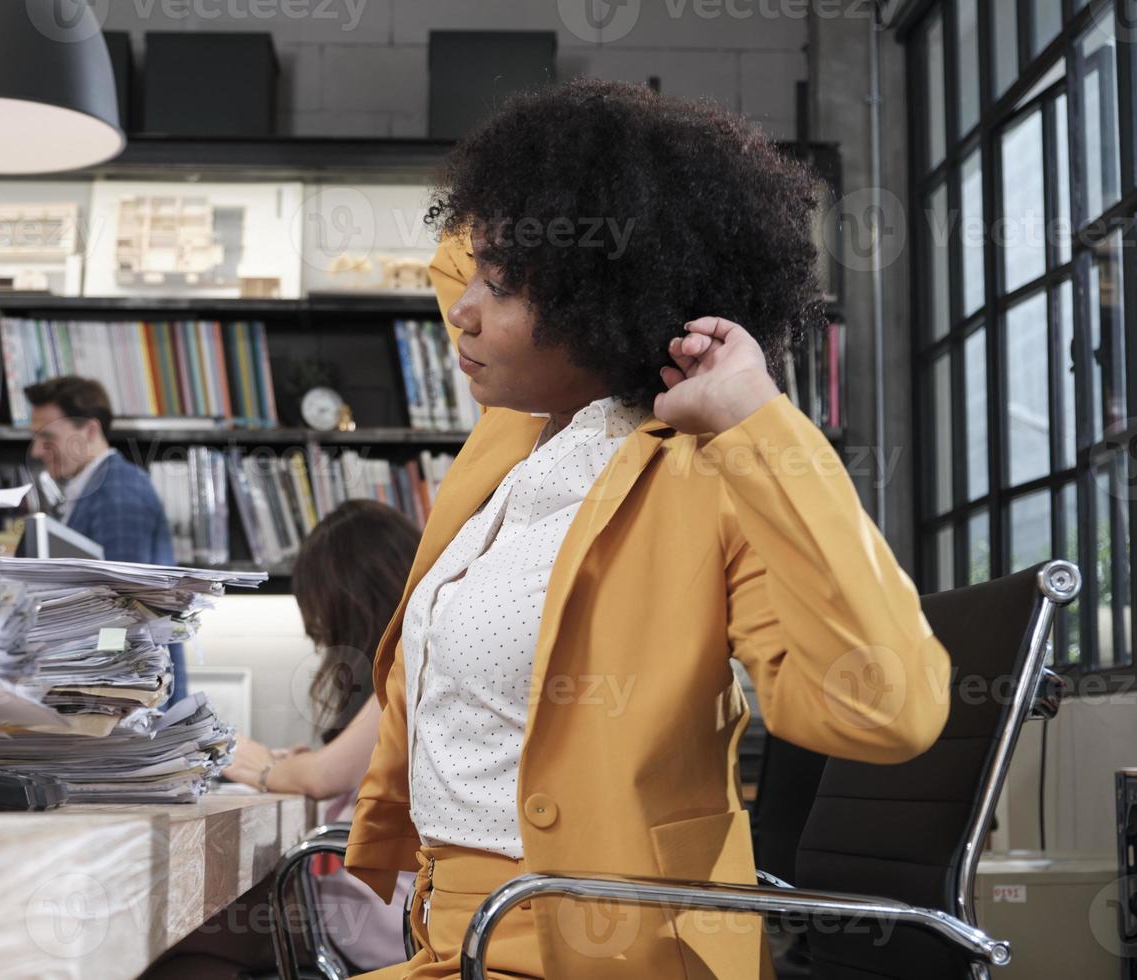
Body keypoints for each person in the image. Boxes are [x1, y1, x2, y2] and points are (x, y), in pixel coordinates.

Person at [343, 78, 954, 979]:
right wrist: (563, 189)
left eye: (499, 286)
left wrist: (760, 421)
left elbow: (885, 709)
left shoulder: (707, 473)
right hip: (444, 940)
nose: (460, 309)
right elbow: (473, 254)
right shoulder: (520, 427)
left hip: (595, 952)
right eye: (473, 273)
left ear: (601, 307)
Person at [147, 500, 421, 978]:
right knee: (187, 933)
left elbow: (321, 777)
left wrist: (260, 766)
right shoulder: (411, 663)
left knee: (169, 941)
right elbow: (344, 768)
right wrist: (291, 765)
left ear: (347, 600)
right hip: (380, 903)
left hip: (380, 918)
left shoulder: (409, 663)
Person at [24, 375, 185, 703]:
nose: (37, 450)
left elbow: (124, 610)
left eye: (48, 437)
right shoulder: (97, 487)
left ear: (90, 431)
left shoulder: (117, 491)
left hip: (128, 695)